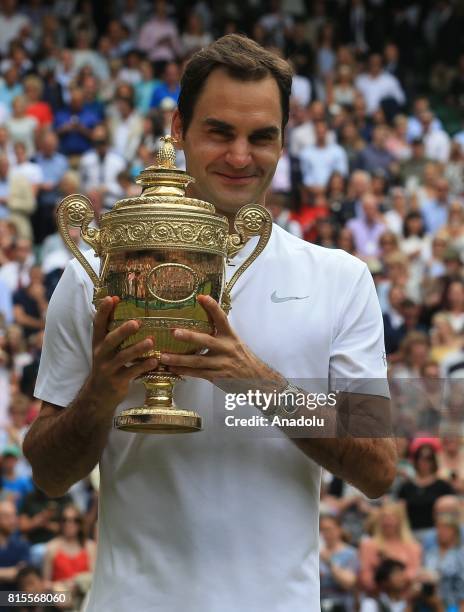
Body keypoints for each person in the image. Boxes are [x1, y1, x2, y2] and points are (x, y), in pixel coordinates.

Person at [25, 35, 396, 611]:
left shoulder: (339, 279)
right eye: (220, 132)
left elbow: (379, 466)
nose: (240, 156)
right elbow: (48, 473)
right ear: (179, 129)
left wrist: (261, 384)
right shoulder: (97, 275)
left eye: (261, 137)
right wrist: (99, 394)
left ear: (283, 139)